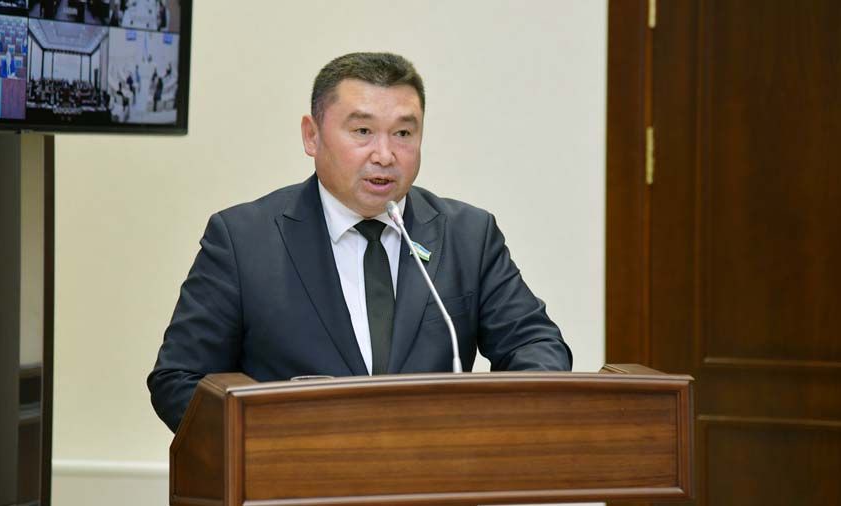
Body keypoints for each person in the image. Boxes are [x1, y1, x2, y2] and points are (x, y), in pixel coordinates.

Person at [148, 52, 572, 433]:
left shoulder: (468, 236)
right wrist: (268, 447)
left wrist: (492, 429)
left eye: (403, 134)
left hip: (438, 475)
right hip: (291, 478)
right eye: (363, 131)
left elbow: (536, 345)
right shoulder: (243, 240)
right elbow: (179, 379)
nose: (385, 155)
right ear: (312, 135)